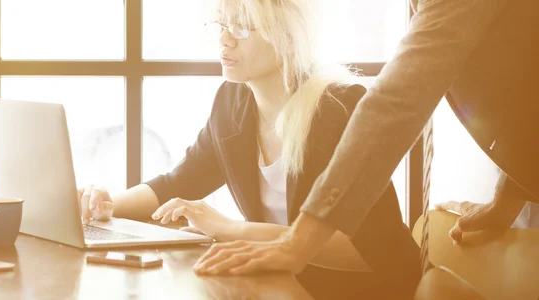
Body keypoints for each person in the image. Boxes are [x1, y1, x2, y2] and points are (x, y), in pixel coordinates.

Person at [191, 0, 539, 297]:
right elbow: (527, 84)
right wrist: (506, 198)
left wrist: (295, 242)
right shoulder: (231, 106)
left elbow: (396, 101)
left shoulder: (333, 105)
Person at [79, 0, 422, 298]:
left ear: (289, 36)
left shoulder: (339, 109)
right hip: (283, 289)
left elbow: (369, 253)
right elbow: (177, 183)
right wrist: (105, 206)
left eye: (242, 28)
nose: (224, 39)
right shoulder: (232, 103)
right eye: (221, 24)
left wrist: (234, 230)